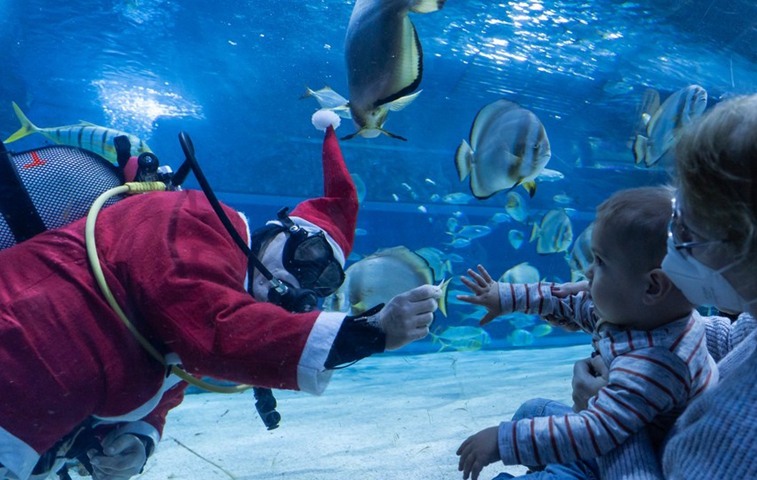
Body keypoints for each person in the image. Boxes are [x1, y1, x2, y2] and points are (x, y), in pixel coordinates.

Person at [0, 112, 442, 480]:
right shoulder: (194, 218)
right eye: (305, 253)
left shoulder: (223, 291)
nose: (300, 279)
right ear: (275, 232)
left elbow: (171, 380)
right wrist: (372, 333)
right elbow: (215, 332)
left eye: (322, 282)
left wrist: (136, 441)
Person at [582, 81, 757, 479]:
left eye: (685, 227)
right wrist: (646, 322)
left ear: (750, 243)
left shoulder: (751, 438)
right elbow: (741, 341)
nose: (674, 240)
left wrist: (610, 425)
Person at [455, 186, 718, 480]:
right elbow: (571, 301)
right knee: (533, 410)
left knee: (533, 444)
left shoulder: (656, 362)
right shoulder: (642, 313)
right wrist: (505, 296)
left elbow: (596, 432)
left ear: (653, 286)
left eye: (601, 262)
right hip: (605, 431)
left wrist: (504, 442)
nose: (589, 272)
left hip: (619, 457)